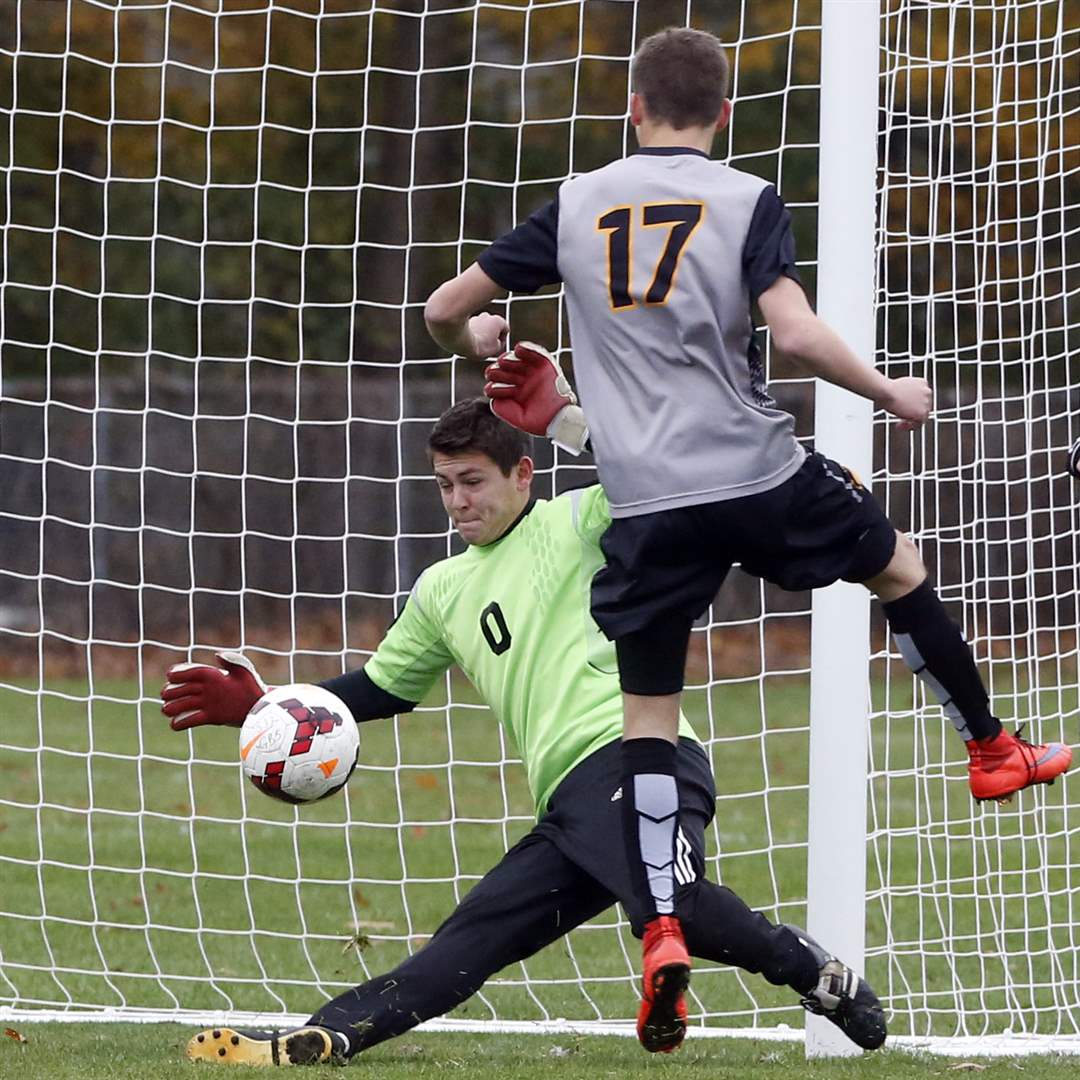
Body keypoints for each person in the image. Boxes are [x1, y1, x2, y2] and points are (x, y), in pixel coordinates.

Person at [424, 26, 1073, 1041]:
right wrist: (889, 391)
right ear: (724, 114)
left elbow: (446, 307)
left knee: (647, 720)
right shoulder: (747, 198)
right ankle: (990, 748)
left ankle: (661, 928)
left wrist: (478, 336)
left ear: (633, 109)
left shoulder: (577, 203)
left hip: (643, 503)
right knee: (899, 570)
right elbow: (796, 335)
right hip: (756, 473)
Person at [162, 399, 886, 1066]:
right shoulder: (441, 589)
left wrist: (570, 416)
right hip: (568, 807)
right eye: (445, 485)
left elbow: (656, 475)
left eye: (473, 481)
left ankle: (815, 974)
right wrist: (270, 707)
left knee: (672, 909)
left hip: (641, 757)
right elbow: (383, 688)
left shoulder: (579, 520)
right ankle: (324, 1036)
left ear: (523, 474)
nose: (458, 501)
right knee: (471, 943)